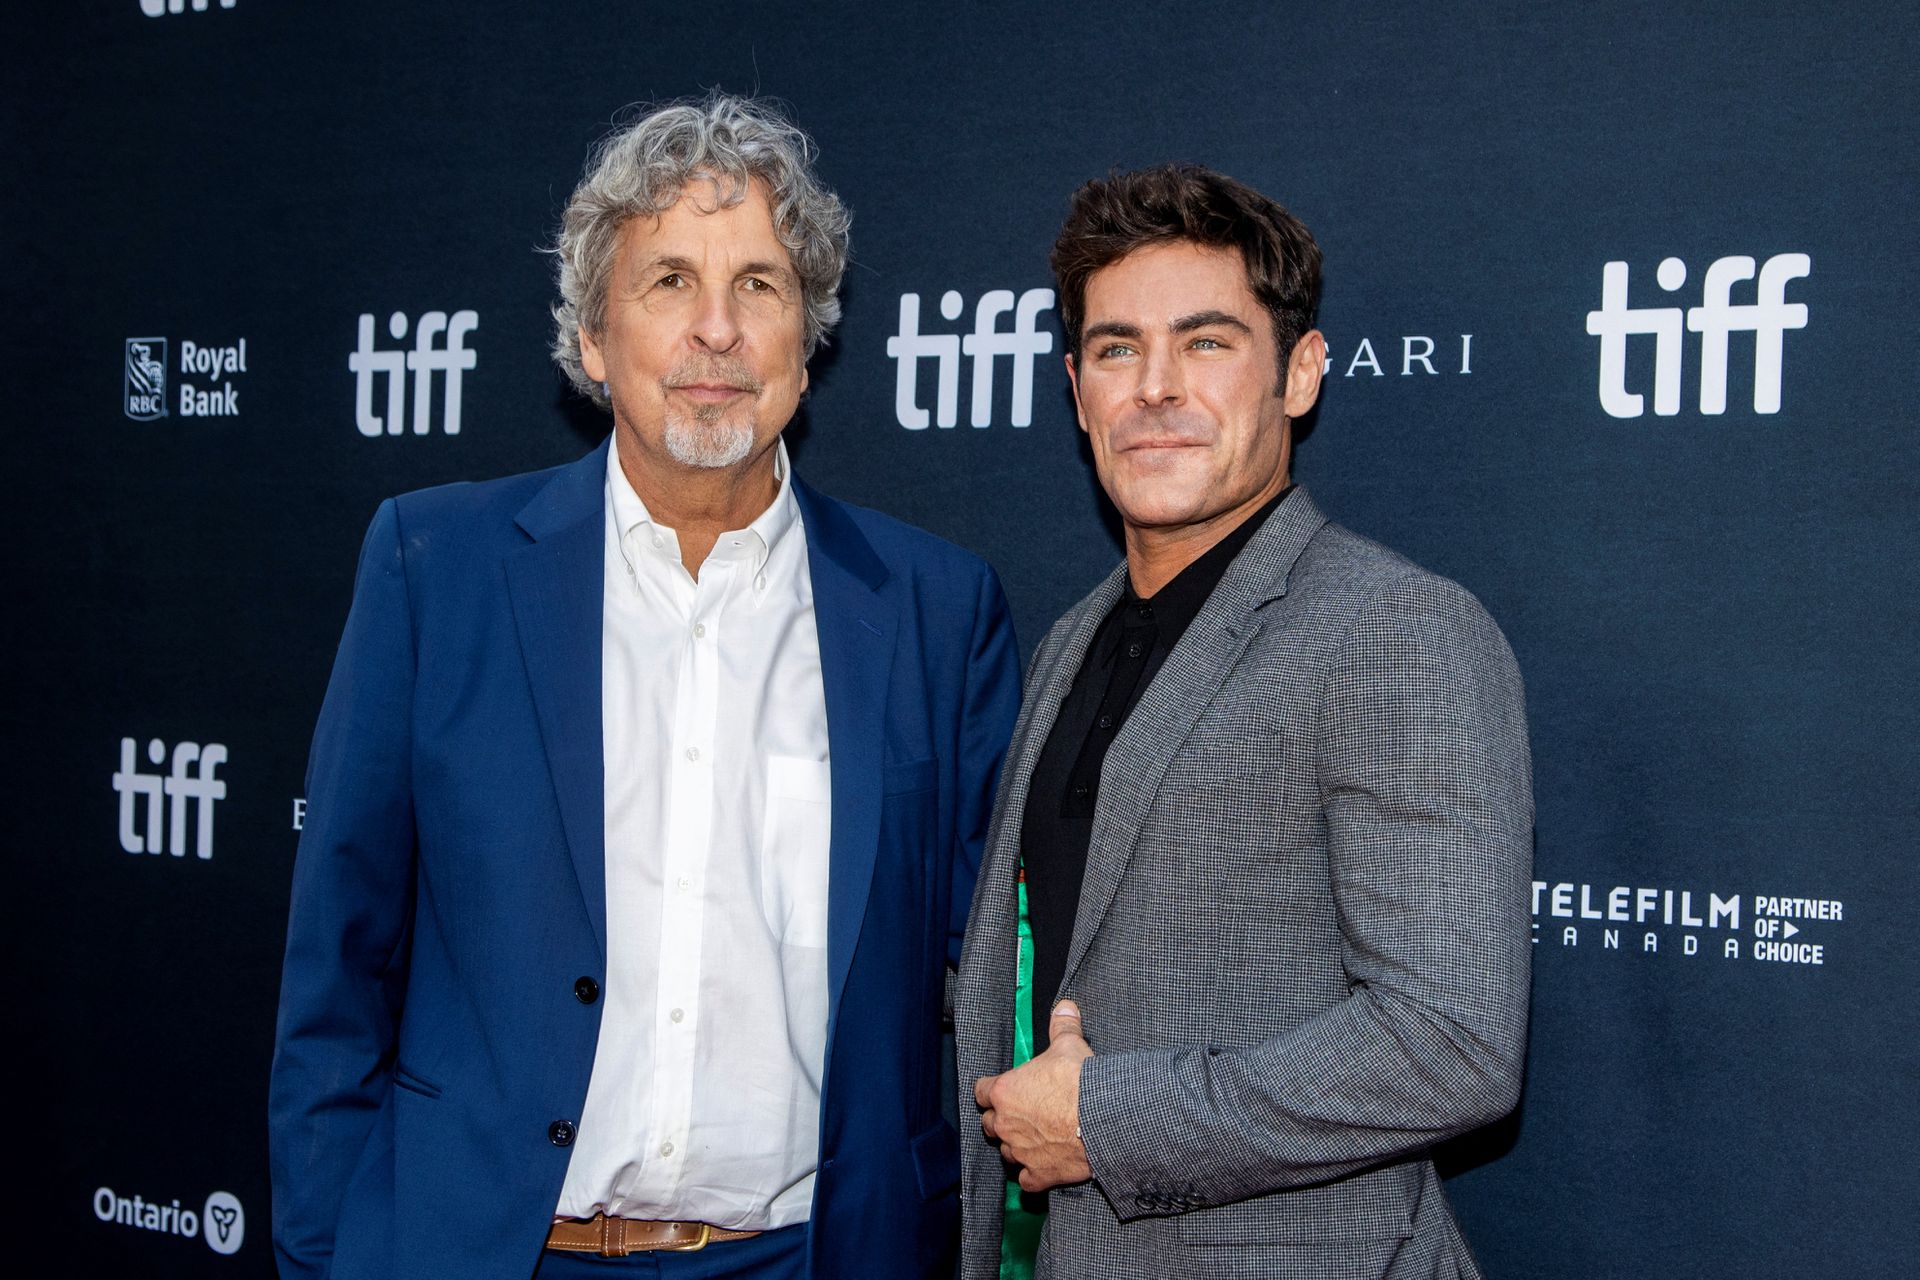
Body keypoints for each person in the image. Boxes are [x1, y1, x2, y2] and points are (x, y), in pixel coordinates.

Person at [270, 94, 1020, 1280]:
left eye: (760, 286)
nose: (716, 331)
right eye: (668, 281)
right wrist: (329, 1250)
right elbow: (337, 960)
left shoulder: (935, 608)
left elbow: (993, 972)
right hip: (489, 1252)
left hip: (813, 1255)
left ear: (809, 338)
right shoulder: (437, 568)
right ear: (592, 340)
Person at [957, 164, 1532, 1279]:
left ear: (1300, 374)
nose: (1156, 387)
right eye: (1118, 348)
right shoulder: (1067, 642)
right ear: (1078, 389)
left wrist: (1108, 1120)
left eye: (1208, 342)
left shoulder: (1396, 628)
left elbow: (1449, 1042)